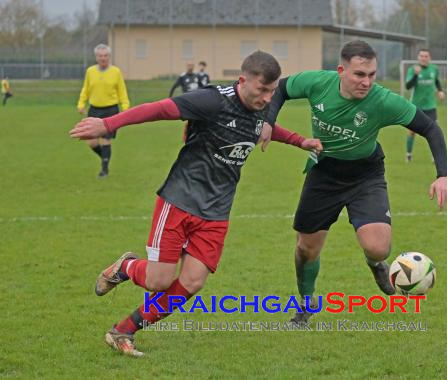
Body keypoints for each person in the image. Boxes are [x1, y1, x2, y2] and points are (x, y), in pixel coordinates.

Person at [69, 51, 322, 357]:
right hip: (180, 200)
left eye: (272, 91)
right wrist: (108, 124)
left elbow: (262, 129)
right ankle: (125, 266)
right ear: (243, 81)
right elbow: (159, 109)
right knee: (158, 281)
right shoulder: (211, 101)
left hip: (216, 212)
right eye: (262, 90)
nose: (268, 98)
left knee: (192, 282)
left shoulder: (259, 108)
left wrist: (300, 141)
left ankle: (123, 330)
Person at [265, 40, 447, 324]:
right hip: (324, 172)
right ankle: (306, 304)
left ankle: (376, 264)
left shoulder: (383, 100)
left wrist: (443, 175)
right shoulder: (317, 83)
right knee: (306, 248)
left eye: (371, 75)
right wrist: (268, 121)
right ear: (341, 70)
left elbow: (429, 127)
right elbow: (280, 88)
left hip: (366, 175)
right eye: (359, 75)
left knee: (378, 247)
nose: (366, 82)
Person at [77, 44, 130, 178]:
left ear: (109, 57)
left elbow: (122, 91)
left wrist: (125, 108)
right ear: (96, 57)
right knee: (92, 142)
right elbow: (86, 89)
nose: (103, 58)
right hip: (94, 109)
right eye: (100, 56)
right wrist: (81, 103)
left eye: (105, 56)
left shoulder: (116, 72)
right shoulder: (90, 71)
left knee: (106, 140)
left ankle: (104, 170)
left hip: (111, 110)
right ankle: (105, 158)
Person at [404, 49, 445, 162]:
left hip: (430, 106)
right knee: (412, 132)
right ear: (418, 58)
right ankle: (409, 154)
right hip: (416, 106)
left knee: (434, 132)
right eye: (421, 56)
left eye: (426, 56)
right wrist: (416, 76)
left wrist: (440, 91)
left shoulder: (434, 69)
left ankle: (435, 156)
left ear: (429, 58)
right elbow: (408, 86)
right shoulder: (413, 70)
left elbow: (436, 81)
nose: (423, 58)